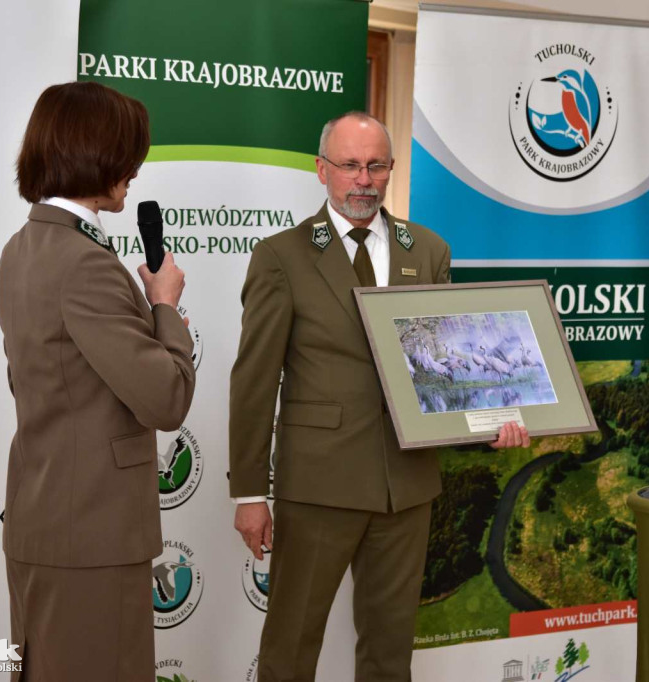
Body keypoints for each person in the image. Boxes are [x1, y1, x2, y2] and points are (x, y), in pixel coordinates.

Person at [229, 111, 529, 682]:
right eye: (349, 166)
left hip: (407, 484)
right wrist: (248, 491)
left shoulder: (430, 250)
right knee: (290, 649)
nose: (363, 179)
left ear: (391, 170)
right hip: (318, 485)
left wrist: (494, 419)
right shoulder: (282, 257)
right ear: (322, 170)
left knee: (390, 655)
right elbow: (253, 382)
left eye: (375, 165)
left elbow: (452, 364)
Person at [0, 81, 196, 682]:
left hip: (48, 522)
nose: (135, 169)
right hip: (90, 536)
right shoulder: (84, 263)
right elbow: (167, 398)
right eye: (128, 151)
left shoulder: (23, 245)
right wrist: (165, 306)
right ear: (95, 152)